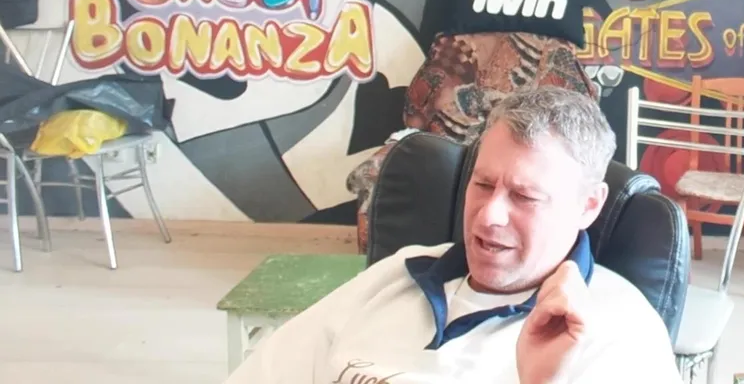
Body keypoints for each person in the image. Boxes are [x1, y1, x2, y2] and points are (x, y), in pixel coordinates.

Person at [225, 86, 682, 384]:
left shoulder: (618, 333)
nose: (489, 216)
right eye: (482, 184)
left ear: (589, 206)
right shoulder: (397, 275)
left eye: (524, 196)